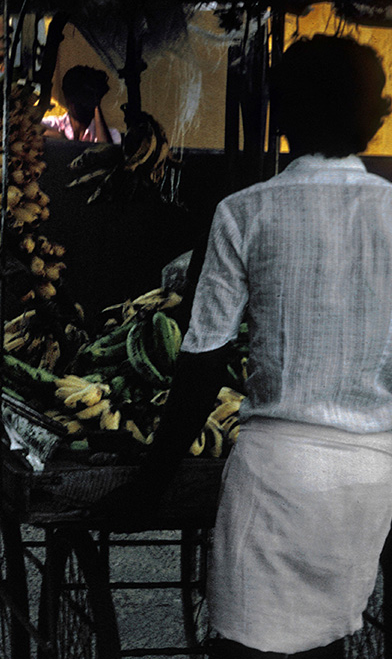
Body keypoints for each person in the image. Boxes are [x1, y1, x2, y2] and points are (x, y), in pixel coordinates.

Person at [104, 34, 392, 659]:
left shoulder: (244, 212)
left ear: (280, 114)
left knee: (246, 648)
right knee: (330, 642)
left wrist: (151, 483)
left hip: (275, 482)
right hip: (369, 482)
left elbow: (202, 361)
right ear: (377, 119)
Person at [43, 64, 122, 143]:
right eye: (81, 99)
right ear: (68, 100)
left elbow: (106, 151)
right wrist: (57, 137)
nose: (86, 106)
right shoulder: (52, 125)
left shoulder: (112, 134)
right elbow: (32, 129)